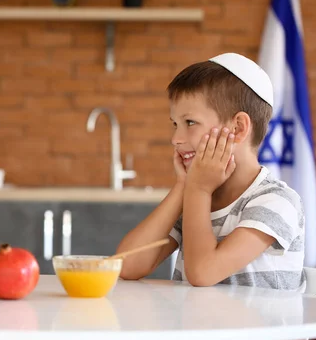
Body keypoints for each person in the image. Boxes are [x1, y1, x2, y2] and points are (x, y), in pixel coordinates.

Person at [117, 53, 305, 291]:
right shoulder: (194, 200)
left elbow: (202, 273)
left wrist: (198, 189)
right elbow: (127, 265)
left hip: (254, 328)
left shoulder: (277, 201)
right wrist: (182, 187)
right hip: (198, 327)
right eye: (175, 124)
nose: (176, 139)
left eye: (190, 123)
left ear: (237, 128)